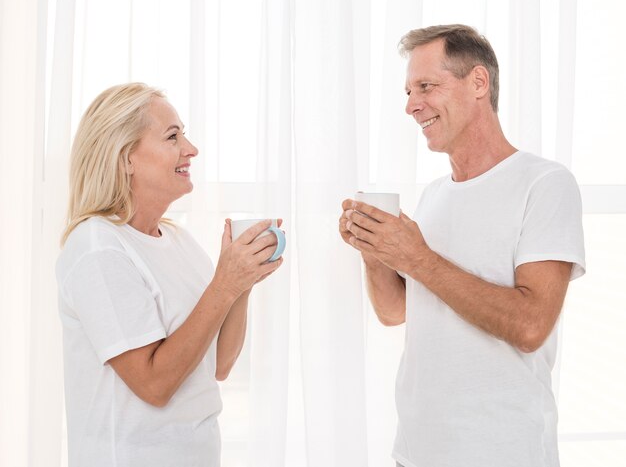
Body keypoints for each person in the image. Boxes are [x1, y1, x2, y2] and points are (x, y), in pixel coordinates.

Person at [339, 24, 585, 467]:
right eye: (408, 91)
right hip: (415, 452)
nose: (411, 105)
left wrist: (416, 257)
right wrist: (375, 252)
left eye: (425, 87)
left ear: (478, 82)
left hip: (501, 452)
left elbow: (531, 326)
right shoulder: (434, 195)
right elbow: (395, 312)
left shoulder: (545, 184)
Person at [56, 83, 283, 467]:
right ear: (126, 157)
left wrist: (241, 282)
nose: (191, 149)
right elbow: (154, 385)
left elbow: (219, 366)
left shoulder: (177, 240)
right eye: (172, 136)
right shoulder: (98, 249)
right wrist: (224, 282)